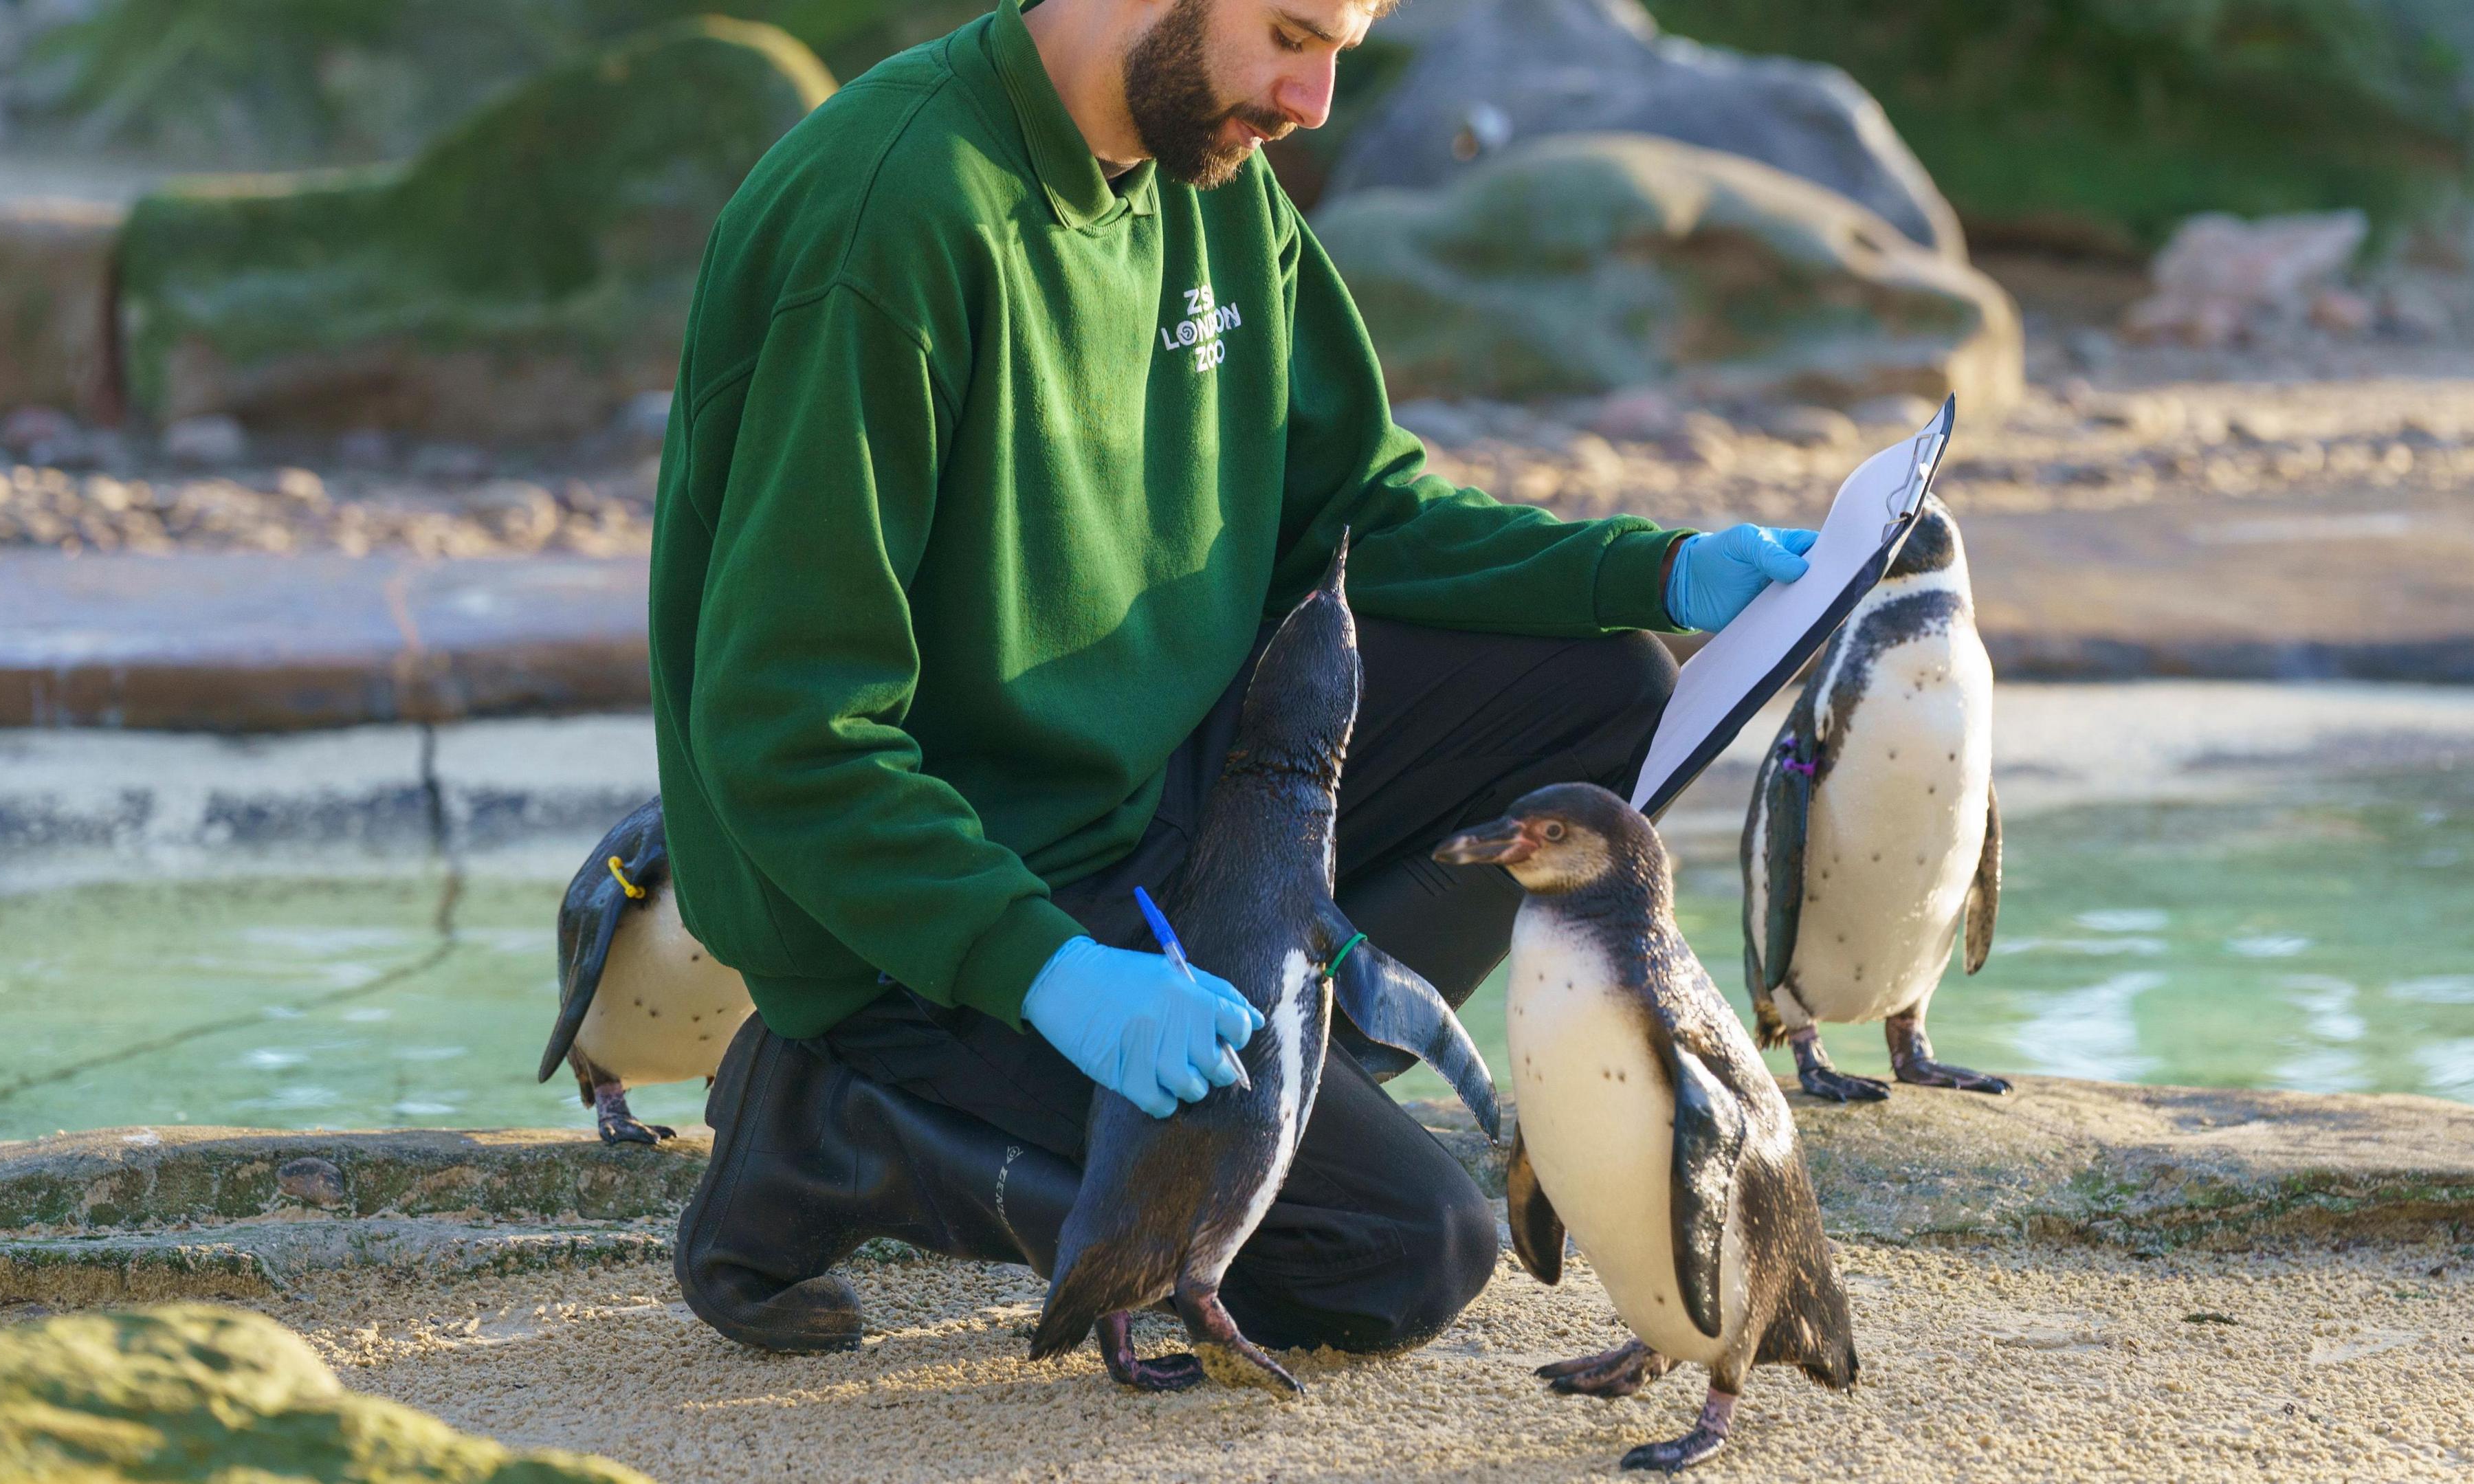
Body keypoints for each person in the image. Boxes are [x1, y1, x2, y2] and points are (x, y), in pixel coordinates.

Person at [648, 0, 1818, 1358]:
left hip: (1168, 800)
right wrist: (1052, 973)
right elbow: (789, 735)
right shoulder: (891, 220)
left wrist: (1661, 572)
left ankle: (1255, 1089)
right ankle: (829, 1123)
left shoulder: (1207, 170)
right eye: (1290, 32)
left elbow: (1359, 515)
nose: (1314, 99)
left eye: (1341, 49)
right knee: (1401, 1254)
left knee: (1605, 695)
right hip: (925, 898)